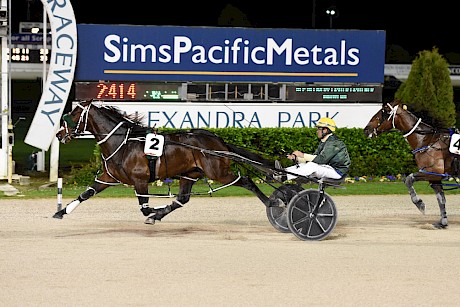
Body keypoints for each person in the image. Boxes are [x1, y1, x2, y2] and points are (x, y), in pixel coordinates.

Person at [274, 117, 350, 182]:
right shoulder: (325, 142)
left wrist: (302, 155)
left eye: (318, 129)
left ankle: (285, 176)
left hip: (337, 172)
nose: (317, 131)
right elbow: (314, 158)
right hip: (328, 168)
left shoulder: (334, 143)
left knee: (312, 166)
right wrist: (296, 158)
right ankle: (283, 172)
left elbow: (321, 160)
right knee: (305, 165)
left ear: (325, 130)